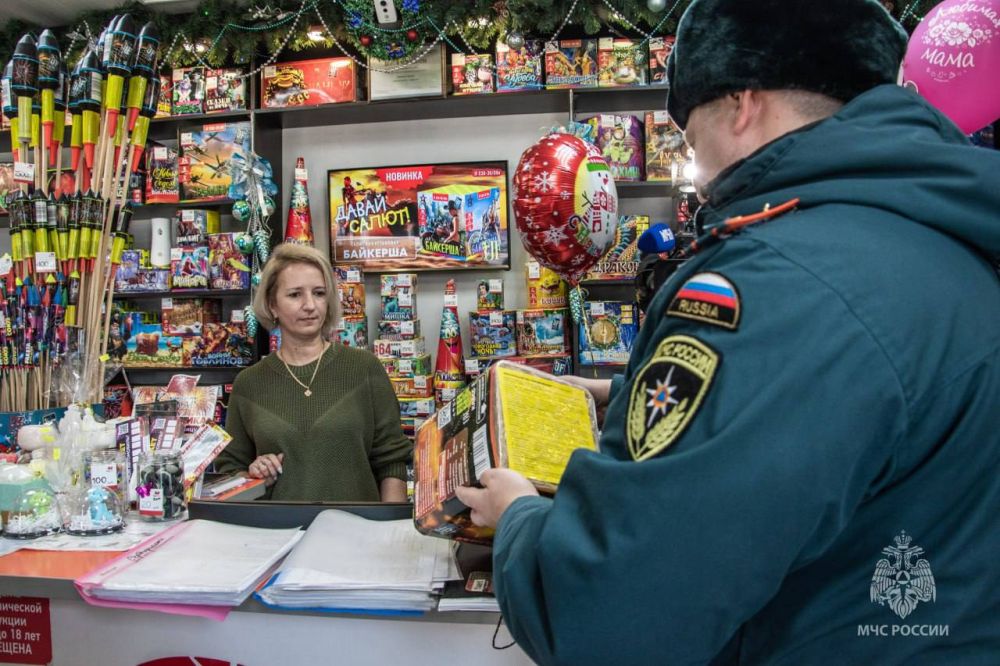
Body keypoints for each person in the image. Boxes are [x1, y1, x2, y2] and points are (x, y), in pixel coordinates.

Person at [456, 1, 1000, 664]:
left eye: (690, 139)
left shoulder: (777, 279)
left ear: (742, 103)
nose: (699, 172)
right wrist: (619, 394)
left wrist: (518, 520)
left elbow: (613, 615)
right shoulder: (937, 231)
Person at [215, 243, 410, 502]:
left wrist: (389, 531)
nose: (310, 305)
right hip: (278, 534)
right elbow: (231, 470)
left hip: (358, 533)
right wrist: (254, 476)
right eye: (295, 295)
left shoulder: (365, 369)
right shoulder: (249, 383)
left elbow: (392, 462)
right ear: (272, 304)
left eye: (318, 293)